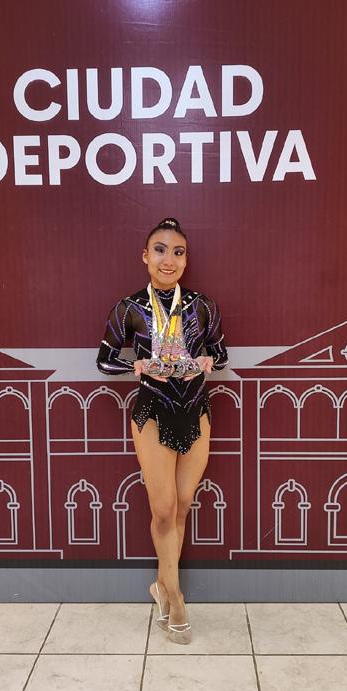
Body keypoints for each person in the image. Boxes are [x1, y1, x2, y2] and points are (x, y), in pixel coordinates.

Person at [96, 217, 228, 644]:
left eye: (178, 252)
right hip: (152, 412)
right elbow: (104, 360)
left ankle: (160, 586)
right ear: (145, 256)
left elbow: (221, 353)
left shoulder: (203, 306)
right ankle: (176, 598)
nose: (168, 259)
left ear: (186, 259)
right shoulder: (129, 308)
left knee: (183, 505)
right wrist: (135, 365)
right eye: (160, 250)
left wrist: (208, 361)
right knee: (165, 510)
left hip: (196, 412)